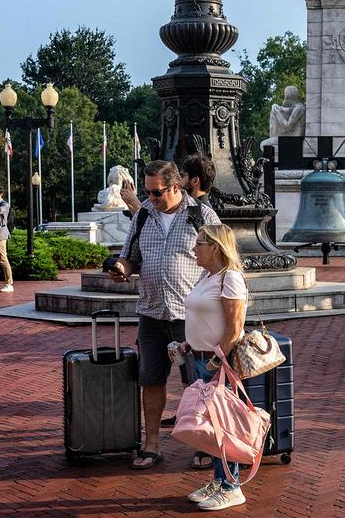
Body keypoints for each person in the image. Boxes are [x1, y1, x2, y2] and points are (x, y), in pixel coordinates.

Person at [107, 160, 221, 469]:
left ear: (175, 187)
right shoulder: (144, 214)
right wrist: (120, 269)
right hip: (152, 312)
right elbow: (130, 258)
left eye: (156, 192)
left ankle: (204, 443)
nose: (150, 198)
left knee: (198, 382)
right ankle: (152, 445)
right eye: (147, 192)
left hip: (191, 315)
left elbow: (221, 262)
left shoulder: (202, 215)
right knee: (152, 380)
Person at [178, 223, 249, 511]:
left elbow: (235, 327)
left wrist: (218, 359)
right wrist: (187, 345)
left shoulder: (230, 278)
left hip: (217, 363)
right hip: (200, 359)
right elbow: (204, 318)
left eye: (199, 244)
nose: (194, 249)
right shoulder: (207, 276)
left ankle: (232, 487)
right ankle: (220, 481)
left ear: (215, 248)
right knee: (210, 425)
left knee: (224, 425)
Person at [123, 153, 215, 217]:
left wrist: (135, 204)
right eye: (148, 192)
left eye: (182, 175)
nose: (178, 180)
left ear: (195, 181)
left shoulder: (203, 214)